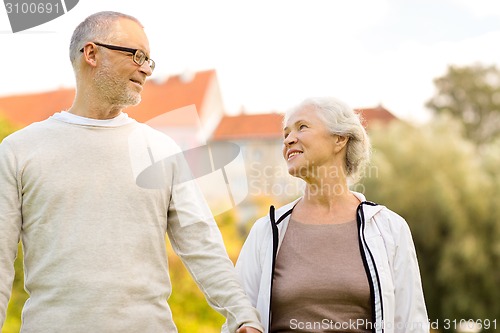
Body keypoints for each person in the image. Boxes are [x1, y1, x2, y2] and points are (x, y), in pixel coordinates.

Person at [0, 11, 263, 333]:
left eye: (150, 61)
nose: (146, 70)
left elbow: (202, 245)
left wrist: (244, 316)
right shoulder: (18, 150)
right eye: (137, 56)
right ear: (92, 53)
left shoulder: (162, 150)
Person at [225, 97, 429, 333]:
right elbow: (238, 315)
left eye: (302, 127)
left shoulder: (390, 228)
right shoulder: (266, 232)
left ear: (340, 138)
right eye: (286, 134)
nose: (289, 139)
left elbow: (412, 324)